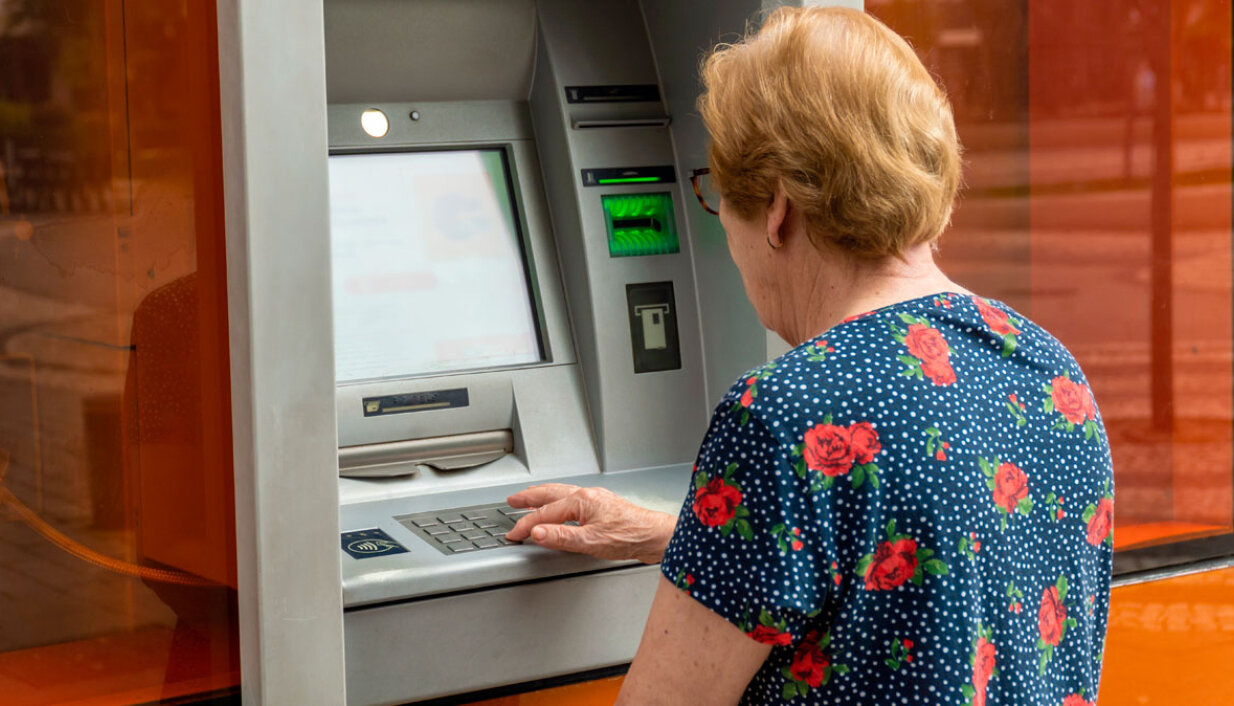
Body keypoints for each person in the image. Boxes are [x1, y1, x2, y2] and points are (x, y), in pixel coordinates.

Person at [507, 7, 1113, 705]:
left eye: (718, 196)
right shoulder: (1048, 373)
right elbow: (924, 566)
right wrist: (684, 538)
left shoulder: (784, 415)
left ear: (777, 207)